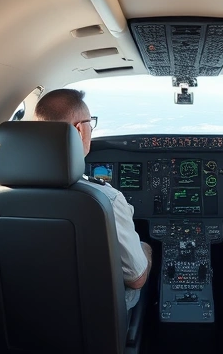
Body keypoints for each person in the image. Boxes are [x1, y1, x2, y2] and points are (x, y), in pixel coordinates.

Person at [34, 88, 152, 309]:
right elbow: (136, 279)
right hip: (91, 315)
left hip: (24, 311)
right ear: (79, 130)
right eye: (90, 123)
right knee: (143, 256)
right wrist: (146, 249)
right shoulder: (106, 199)